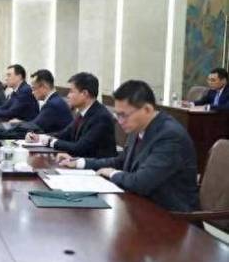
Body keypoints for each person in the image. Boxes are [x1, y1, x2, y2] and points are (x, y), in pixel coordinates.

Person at [58, 80, 199, 212]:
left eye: (124, 115)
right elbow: (121, 161)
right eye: (117, 115)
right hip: (140, 206)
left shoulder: (170, 136)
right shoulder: (139, 127)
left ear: (147, 109)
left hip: (171, 216)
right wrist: (80, 162)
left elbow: (141, 182)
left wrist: (112, 173)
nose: (120, 121)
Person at [27, 72, 116, 158]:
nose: (68, 95)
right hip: (77, 161)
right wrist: (39, 137)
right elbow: (63, 135)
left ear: (84, 93)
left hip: (96, 166)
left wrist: (50, 141)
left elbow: (80, 148)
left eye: (71, 91)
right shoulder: (81, 113)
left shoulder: (100, 117)